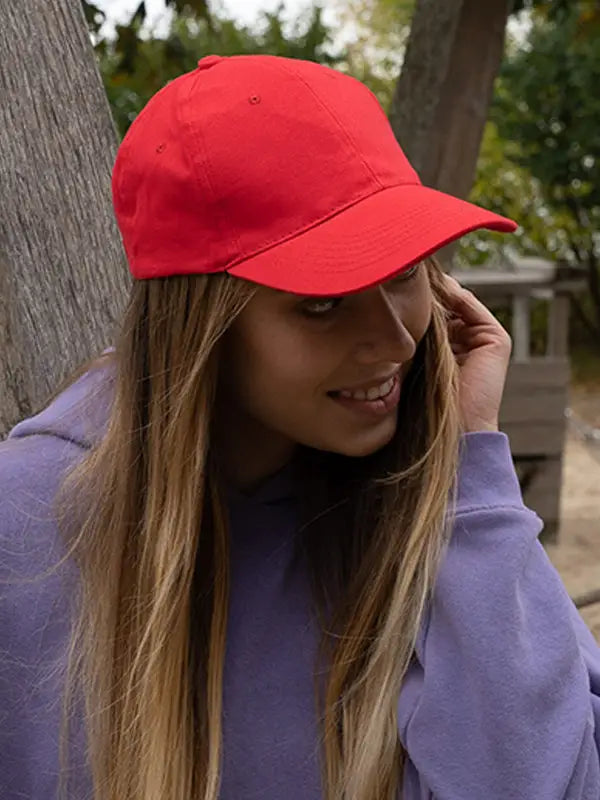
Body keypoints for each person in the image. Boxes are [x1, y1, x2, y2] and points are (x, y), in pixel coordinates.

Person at [0, 53, 598, 800]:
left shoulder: (445, 513)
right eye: (323, 303)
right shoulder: (26, 528)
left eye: (404, 274)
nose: (396, 341)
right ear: (203, 328)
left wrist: (470, 469)